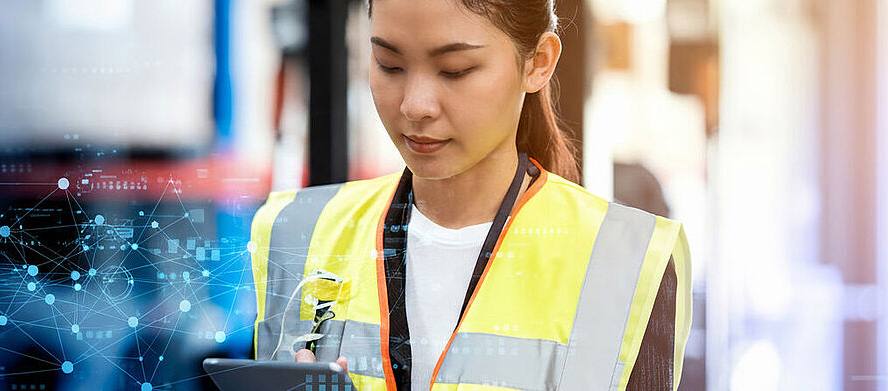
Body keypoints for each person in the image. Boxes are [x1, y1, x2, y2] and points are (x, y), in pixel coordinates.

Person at [248, 0, 691, 389]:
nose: (415, 105)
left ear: (538, 62)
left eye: (455, 70)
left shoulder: (626, 259)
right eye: (389, 64)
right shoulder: (295, 232)